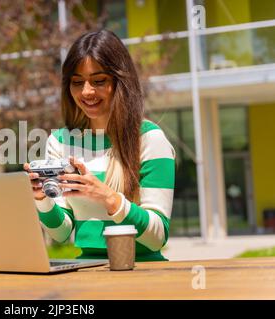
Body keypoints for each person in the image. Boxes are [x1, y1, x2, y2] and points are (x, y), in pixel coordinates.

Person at [24, 29, 175, 262]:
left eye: (99, 81)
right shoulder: (60, 142)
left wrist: (108, 197)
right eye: (77, 82)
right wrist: (41, 199)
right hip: (85, 270)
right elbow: (62, 233)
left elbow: (158, 237)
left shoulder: (150, 139)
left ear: (120, 81)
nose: (86, 92)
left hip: (141, 271)